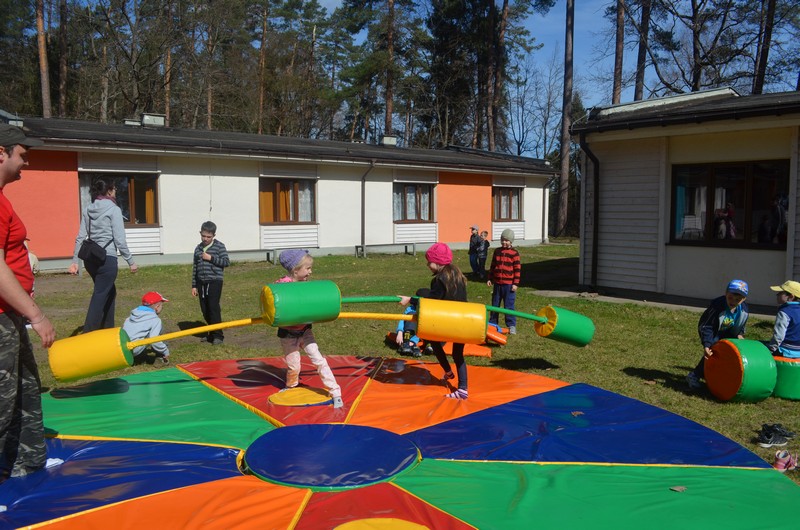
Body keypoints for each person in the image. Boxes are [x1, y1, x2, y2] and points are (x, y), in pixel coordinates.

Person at [0, 123, 59, 480]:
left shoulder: (3, 199)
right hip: (4, 317)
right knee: (3, 399)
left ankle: (27, 464)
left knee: (25, 391)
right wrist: (36, 315)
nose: (26, 162)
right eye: (22, 154)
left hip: (10, 314)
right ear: (1, 153)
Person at [399, 243, 469, 400]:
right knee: (458, 354)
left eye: (429, 262)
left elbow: (431, 302)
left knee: (433, 340)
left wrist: (411, 299)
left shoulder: (439, 280)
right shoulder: (458, 275)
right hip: (462, 321)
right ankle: (463, 387)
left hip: (448, 321)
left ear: (438, 262)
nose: (427, 265)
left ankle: (448, 371)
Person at [275, 249, 343, 408]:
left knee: (319, 360)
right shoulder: (283, 284)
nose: (310, 272)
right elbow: (276, 295)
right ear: (295, 270)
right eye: (308, 268)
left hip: (305, 332)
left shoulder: (307, 286)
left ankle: (335, 391)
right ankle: (291, 386)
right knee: (294, 365)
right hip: (288, 334)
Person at [69, 178, 137, 332]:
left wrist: (75, 261)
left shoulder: (88, 209)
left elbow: (80, 237)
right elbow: (119, 240)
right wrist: (130, 261)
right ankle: (88, 333)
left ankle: (107, 329)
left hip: (91, 259)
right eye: (114, 189)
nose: (116, 191)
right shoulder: (114, 210)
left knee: (109, 292)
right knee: (100, 294)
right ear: (109, 191)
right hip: (107, 259)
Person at [685, 279, 749, 389]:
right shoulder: (717, 306)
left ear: (743, 299)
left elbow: (741, 324)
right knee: (712, 351)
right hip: (712, 331)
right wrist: (707, 344)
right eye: (730, 297)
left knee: (731, 353)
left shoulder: (744, 310)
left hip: (729, 332)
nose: (733, 301)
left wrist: (740, 334)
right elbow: (706, 326)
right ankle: (694, 376)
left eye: (738, 299)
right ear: (726, 293)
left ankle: (718, 376)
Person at [191, 221, 229, 345]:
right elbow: (195, 268)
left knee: (213, 308)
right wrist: (194, 285)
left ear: (214, 235)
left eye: (209, 236)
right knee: (205, 309)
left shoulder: (219, 246)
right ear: (200, 233)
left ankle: (218, 336)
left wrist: (210, 258)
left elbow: (226, 262)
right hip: (201, 283)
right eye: (203, 236)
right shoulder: (198, 249)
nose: (205, 239)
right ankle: (211, 333)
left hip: (215, 281)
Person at [487, 229, 521, 335]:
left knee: (509, 305)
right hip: (497, 284)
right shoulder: (497, 251)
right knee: (495, 304)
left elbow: (517, 270)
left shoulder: (514, 253)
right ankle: (492, 324)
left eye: (506, 240)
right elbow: (493, 266)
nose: (504, 242)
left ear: (511, 241)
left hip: (509, 285)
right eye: (502, 240)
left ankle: (511, 325)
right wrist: (490, 278)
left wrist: (515, 283)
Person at [122, 291, 171, 365]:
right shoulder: (155, 320)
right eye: (162, 305)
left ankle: (139, 357)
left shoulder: (131, 316)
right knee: (159, 331)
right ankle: (161, 357)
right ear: (157, 307)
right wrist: (165, 351)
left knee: (140, 333)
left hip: (123, 349)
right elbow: (154, 340)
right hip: (135, 350)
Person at [767, 280, 800, 358]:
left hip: (786, 351)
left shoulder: (784, 312)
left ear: (791, 296)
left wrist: (771, 349)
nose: (777, 295)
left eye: (780, 293)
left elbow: (779, 335)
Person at [394, 288, 430, 357]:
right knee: (412, 315)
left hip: (422, 334)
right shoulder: (411, 309)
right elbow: (402, 320)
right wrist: (400, 332)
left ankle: (421, 344)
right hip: (409, 333)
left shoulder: (428, 311)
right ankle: (407, 343)